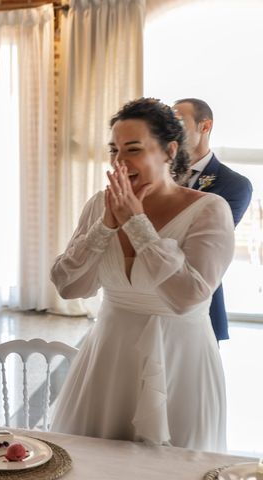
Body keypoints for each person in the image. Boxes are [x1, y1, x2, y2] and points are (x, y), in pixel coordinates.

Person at [50, 98, 234, 452]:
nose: (119, 161)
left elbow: (188, 297)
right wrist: (105, 225)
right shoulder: (99, 206)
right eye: (114, 150)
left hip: (181, 360)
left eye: (132, 149)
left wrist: (137, 224)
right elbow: (69, 286)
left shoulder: (210, 210)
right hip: (108, 357)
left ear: (169, 150)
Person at [173, 98, 253, 342]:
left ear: (204, 126)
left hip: (199, 303)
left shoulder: (235, 184)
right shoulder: (155, 174)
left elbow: (209, 244)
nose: (171, 129)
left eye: (179, 121)